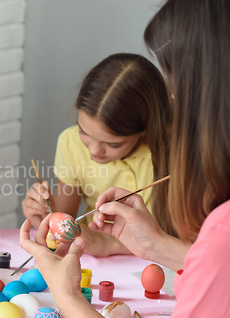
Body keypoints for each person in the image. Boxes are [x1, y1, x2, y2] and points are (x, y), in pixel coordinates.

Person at [21, 0, 230, 318]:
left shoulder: (219, 224)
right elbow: (207, 262)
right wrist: (153, 246)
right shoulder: (218, 235)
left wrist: (69, 298)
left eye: (174, 84)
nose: (94, 152)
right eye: (84, 135)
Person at [22, 53, 173, 256]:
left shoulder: (177, 152)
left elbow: (189, 240)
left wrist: (108, 243)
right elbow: (66, 217)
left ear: (146, 128)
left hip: (163, 264)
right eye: (83, 131)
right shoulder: (71, 143)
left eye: (113, 144)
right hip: (90, 254)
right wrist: (46, 216)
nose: (94, 151)